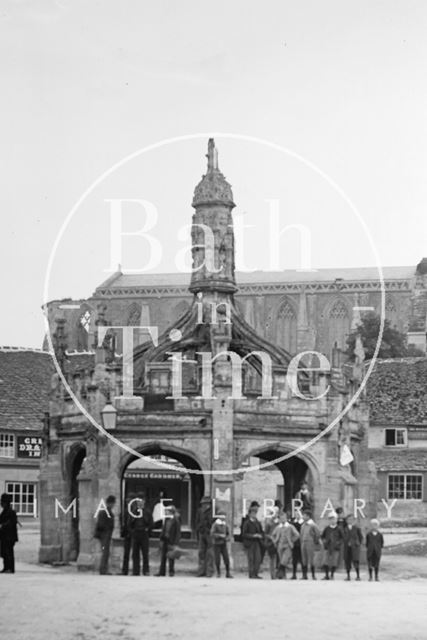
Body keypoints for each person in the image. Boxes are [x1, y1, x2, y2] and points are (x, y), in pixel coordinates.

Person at [129, 495, 153, 576]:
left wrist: (148, 529)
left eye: (141, 501)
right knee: (135, 553)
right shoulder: (133, 511)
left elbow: (152, 523)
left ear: (144, 502)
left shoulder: (147, 512)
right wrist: (132, 531)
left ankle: (146, 571)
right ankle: (136, 571)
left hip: (144, 533)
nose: (140, 503)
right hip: (136, 533)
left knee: (145, 553)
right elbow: (129, 523)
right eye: (138, 502)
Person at [272, 511, 299, 579]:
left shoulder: (290, 526)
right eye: (281, 518)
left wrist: (291, 540)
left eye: (284, 518)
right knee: (282, 560)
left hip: (288, 546)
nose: (283, 519)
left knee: (284, 560)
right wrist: (275, 541)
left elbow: (297, 535)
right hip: (280, 546)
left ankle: (278, 573)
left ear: (286, 518)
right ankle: (283, 576)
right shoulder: (278, 527)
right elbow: (273, 535)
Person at [156, 505, 181, 577]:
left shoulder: (176, 521)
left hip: (172, 541)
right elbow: (163, 530)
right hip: (165, 540)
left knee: (171, 557)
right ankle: (162, 572)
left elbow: (178, 533)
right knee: (163, 557)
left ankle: (171, 571)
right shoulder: (166, 520)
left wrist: (176, 542)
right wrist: (161, 538)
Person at [94, 495, 116, 575]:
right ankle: (103, 569)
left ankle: (104, 569)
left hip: (106, 535)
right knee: (105, 552)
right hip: (104, 535)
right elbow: (101, 524)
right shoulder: (104, 512)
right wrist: (107, 530)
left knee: (106, 552)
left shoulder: (107, 512)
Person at [242, 505, 264, 579]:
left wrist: (260, 535)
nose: (254, 514)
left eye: (255, 513)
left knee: (258, 558)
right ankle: (251, 574)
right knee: (251, 559)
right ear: (250, 514)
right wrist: (253, 535)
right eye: (253, 513)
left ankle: (256, 573)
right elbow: (244, 534)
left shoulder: (258, 522)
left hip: (257, 542)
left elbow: (261, 532)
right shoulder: (247, 523)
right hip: (250, 543)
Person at [321, 513, 344, 580]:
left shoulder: (339, 529)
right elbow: (322, 537)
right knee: (326, 561)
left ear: (336, 520)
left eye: (334, 519)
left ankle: (332, 575)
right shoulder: (327, 528)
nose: (332, 520)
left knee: (334, 561)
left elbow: (342, 538)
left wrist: (338, 543)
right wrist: (324, 542)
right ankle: (326, 575)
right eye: (331, 519)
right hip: (327, 547)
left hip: (335, 548)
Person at [300, 509, 321, 580]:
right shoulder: (303, 525)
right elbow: (301, 534)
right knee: (304, 559)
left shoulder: (313, 525)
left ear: (308, 516)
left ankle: (313, 575)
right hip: (303, 542)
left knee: (311, 559)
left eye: (304, 515)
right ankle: (304, 575)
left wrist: (315, 540)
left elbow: (318, 534)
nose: (303, 517)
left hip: (310, 542)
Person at [210, 511, 233, 578]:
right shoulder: (215, 524)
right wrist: (220, 535)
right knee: (217, 559)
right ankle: (218, 572)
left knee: (226, 558)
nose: (223, 518)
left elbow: (228, 534)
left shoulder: (225, 525)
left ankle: (228, 572)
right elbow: (212, 533)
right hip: (216, 543)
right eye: (222, 516)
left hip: (223, 543)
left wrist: (227, 538)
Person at [196, 496, 214, 577]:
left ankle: (209, 571)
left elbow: (212, 522)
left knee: (210, 553)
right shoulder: (200, 511)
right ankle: (201, 571)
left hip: (209, 533)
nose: (204, 505)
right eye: (203, 504)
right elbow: (197, 521)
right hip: (201, 533)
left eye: (206, 503)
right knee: (201, 553)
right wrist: (199, 528)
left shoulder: (212, 512)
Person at [0, 493, 18, 573]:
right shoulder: (4, 512)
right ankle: (6, 567)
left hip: (10, 536)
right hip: (4, 536)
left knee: (9, 552)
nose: (1, 504)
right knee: (4, 552)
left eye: (2, 502)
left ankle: (10, 568)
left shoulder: (11, 512)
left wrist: (4, 525)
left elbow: (11, 523)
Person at [343, 514, 363, 581]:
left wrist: (358, 543)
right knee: (347, 561)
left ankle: (358, 576)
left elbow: (361, 537)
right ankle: (348, 576)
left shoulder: (357, 528)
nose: (350, 521)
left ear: (354, 520)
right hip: (347, 548)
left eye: (351, 519)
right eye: (348, 519)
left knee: (356, 561)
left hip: (355, 548)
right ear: (346, 521)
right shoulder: (344, 528)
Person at [263, 506, 280, 579]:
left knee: (279, 559)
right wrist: (271, 538)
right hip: (271, 543)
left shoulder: (279, 522)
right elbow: (265, 533)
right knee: (272, 559)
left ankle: (279, 574)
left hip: (279, 542)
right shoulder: (268, 522)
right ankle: (273, 575)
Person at [121, 493, 135, 575]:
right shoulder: (126, 510)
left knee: (134, 553)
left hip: (133, 533)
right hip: (127, 534)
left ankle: (134, 570)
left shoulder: (135, 510)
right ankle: (124, 570)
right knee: (126, 553)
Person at [289, 510, 303, 579]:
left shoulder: (303, 523)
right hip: (295, 543)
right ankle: (294, 574)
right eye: (296, 514)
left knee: (302, 559)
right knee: (294, 560)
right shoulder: (292, 523)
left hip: (301, 543)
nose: (297, 515)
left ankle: (304, 574)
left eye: (298, 514)